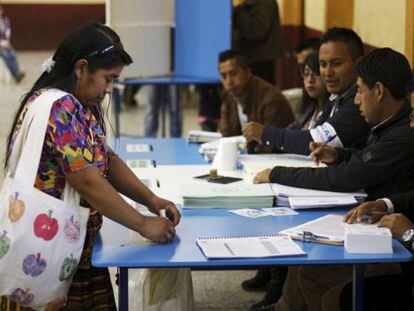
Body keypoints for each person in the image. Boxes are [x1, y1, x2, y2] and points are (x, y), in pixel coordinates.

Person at [2, 22, 180, 310]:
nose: (110, 89)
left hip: (70, 246)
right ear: (81, 68)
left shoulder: (78, 105)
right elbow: (85, 180)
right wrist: (142, 224)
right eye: (108, 79)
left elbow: (105, 159)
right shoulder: (61, 108)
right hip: (51, 250)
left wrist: (150, 199)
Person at [259, 48, 414, 311]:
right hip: (384, 231)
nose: (356, 101)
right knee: (304, 267)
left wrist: (409, 232)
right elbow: (369, 160)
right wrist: (385, 204)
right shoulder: (389, 127)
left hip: (398, 254)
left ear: (378, 91)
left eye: (360, 92)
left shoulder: (401, 136)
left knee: (322, 283)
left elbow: (347, 176)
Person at [245, 52, 329, 311]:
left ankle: (276, 286)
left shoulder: (335, 110)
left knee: (280, 212)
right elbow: (294, 132)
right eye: (306, 74)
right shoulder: (309, 107)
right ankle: (271, 273)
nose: (311, 80)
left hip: (315, 181)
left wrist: (267, 136)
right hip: (299, 174)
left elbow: (305, 141)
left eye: (317, 72)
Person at [243, 28, 371, 155]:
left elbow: (314, 142)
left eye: (336, 64)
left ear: (358, 64)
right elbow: (311, 138)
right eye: (323, 64)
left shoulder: (359, 101)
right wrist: (271, 145)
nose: (327, 72)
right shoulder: (335, 96)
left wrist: (265, 134)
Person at [218, 49, 294, 151]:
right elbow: (226, 137)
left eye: (234, 74)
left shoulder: (271, 100)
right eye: (224, 76)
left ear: (248, 73)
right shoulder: (228, 96)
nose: (229, 81)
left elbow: (270, 147)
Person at [232, 0, 283, 85]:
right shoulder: (251, 2)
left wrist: (238, 16)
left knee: (261, 94)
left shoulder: (265, 3)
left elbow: (256, 31)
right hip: (254, 59)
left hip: (261, 61)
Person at [0, 3, 24, 83]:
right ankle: (16, 75)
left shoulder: (5, 21)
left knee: (13, 53)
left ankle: (17, 73)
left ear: (2, 11)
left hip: (4, 43)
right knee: (6, 55)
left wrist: (7, 44)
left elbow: (8, 33)